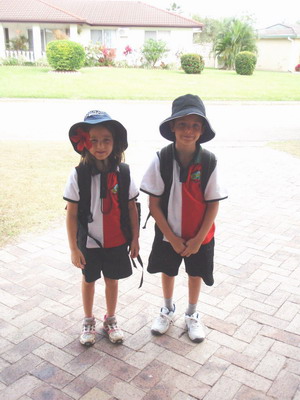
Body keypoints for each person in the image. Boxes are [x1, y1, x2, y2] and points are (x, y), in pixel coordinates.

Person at [140, 94, 227, 343]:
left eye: (195, 125)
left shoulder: (209, 161)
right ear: (172, 127)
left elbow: (213, 205)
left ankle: (192, 314)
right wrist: (172, 237)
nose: (188, 130)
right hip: (169, 235)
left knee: (195, 273)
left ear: (201, 130)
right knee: (168, 271)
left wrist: (198, 239)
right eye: (182, 124)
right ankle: (167, 309)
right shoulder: (161, 159)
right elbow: (153, 204)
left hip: (200, 236)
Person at [64, 110, 139, 346]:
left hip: (117, 240)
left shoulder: (124, 173)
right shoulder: (78, 175)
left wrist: (135, 239)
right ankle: (88, 320)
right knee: (88, 279)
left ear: (115, 142)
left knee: (112, 280)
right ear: (85, 142)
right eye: (94, 140)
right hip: (88, 242)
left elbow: (131, 208)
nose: (100, 145)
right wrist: (74, 248)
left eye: (106, 139)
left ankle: (111, 319)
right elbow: (72, 213)